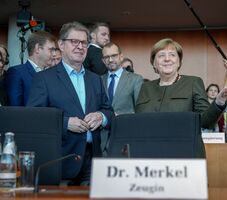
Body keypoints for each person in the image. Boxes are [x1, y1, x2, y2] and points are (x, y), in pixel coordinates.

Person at [27, 21, 114, 185]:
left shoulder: (95, 79)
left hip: (92, 161)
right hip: (59, 161)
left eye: (84, 43)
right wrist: (65, 123)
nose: (80, 47)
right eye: (74, 41)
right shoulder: (44, 79)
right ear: (61, 44)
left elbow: (109, 111)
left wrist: (101, 116)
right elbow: (34, 118)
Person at [135, 38, 227, 130]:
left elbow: (206, 122)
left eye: (172, 55)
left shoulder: (193, 82)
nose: (167, 59)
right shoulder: (145, 87)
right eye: (161, 55)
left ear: (179, 62)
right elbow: (138, 122)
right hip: (150, 148)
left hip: (184, 148)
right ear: (154, 63)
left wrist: (219, 101)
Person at [100, 42, 143, 153]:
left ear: (121, 56)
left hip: (126, 137)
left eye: (114, 56)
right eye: (106, 57)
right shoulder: (98, 80)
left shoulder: (135, 79)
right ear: (103, 60)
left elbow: (141, 111)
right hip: (101, 141)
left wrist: (121, 117)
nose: (110, 60)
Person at [5, 31, 56, 106]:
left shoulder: (52, 75)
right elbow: (15, 109)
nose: (54, 54)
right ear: (38, 48)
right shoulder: (17, 73)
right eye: (51, 50)